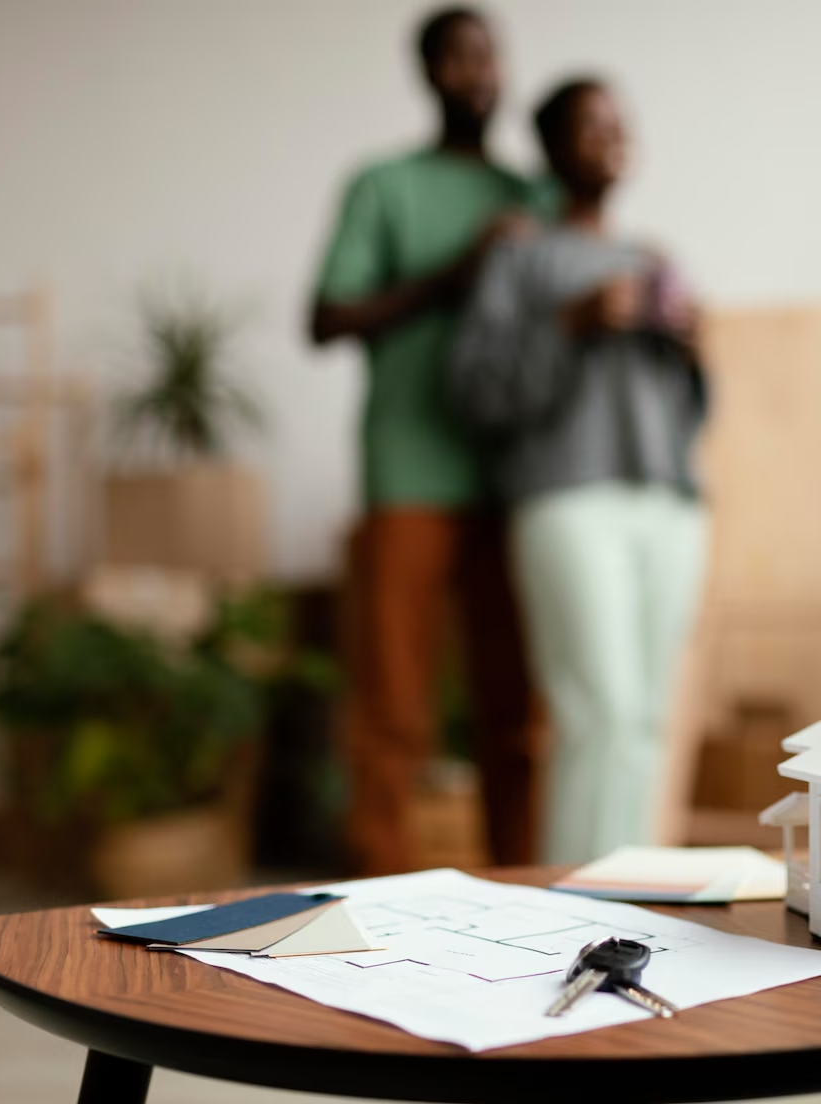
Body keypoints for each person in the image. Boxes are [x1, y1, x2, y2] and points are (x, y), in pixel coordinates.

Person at [308, 7, 545, 873]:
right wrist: (460, 270)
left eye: (491, 57)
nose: (479, 73)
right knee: (393, 708)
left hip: (517, 481)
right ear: (429, 72)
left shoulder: (531, 195)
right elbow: (327, 316)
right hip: (407, 473)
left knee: (516, 710)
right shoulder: (383, 185)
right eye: (459, 58)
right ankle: (382, 899)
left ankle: (524, 890)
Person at [449, 78, 709, 864]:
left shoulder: (655, 261)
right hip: (565, 498)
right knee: (596, 710)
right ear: (555, 147)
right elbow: (474, 388)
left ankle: (632, 907)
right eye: (591, 125)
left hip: (668, 499)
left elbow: (691, 409)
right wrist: (569, 324)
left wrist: (691, 345)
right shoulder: (521, 258)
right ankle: (576, 910)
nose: (611, 137)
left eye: (619, 124)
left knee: (646, 719)